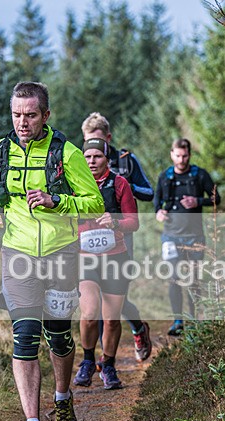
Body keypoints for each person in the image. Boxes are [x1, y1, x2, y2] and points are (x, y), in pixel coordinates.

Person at [0, 82, 104, 421]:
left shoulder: (67, 154)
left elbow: (95, 203)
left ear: (45, 115)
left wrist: (56, 201)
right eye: (17, 114)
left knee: (59, 337)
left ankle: (62, 398)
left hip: (61, 254)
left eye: (30, 115)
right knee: (25, 336)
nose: (22, 122)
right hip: (17, 254)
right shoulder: (0, 150)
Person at [80, 112, 153, 362]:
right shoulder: (82, 165)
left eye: (99, 141)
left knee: (115, 297)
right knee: (95, 299)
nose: (93, 151)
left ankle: (137, 329)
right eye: (88, 142)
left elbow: (149, 192)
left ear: (108, 138)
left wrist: (122, 187)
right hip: (89, 240)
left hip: (121, 234)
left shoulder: (126, 160)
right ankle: (103, 359)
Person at [74, 137, 139, 389]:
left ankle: (109, 365)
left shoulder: (120, 183)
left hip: (115, 257)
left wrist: (115, 223)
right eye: (87, 156)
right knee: (90, 313)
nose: (92, 161)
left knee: (111, 319)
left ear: (106, 159)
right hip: (85, 258)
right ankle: (87, 361)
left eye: (97, 156)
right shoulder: (74, 183)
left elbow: (133, 222)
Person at [153, 138, 220, 336]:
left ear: (189, 155)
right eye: (178, 155)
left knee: (193, 279)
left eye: (185, 156)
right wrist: (158, 212)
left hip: (194, 237)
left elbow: (216, 198)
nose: (181, 160)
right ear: (172, 154)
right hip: (171, 236)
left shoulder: (200, 175)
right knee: (174, 278)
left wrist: (198, 201)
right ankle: (177, 321)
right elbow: (156, 202)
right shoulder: (164, 176)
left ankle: (195, 319)